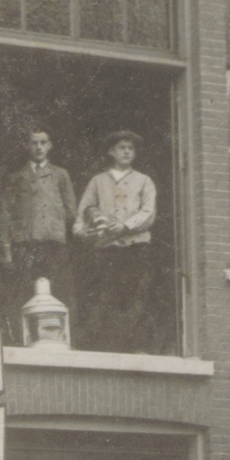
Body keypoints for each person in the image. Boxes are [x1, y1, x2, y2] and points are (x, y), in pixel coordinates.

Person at [73, 129, 157, 353]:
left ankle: (138, 348)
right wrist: (84, 232)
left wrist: (126, 226)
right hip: (107, 249)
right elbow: (83, 212)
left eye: (131, 148)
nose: (127, 152)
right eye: (122, 148)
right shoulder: (98, 181)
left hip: (136, 247)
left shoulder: (144, 181)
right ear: (111, 151)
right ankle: (107, 348)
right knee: (105, 296)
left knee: (137, 296)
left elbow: (148, 212)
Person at [0, 125, 78, 343]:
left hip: (53, 243)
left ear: (50, 146)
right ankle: (23, 341)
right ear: (27, 146)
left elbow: (71, 210)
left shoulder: (60, 175)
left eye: (43, 142)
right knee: (24, 293)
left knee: (59, 291)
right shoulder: (16, 178)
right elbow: (5, 215)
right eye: (34, 142)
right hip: (25, 243)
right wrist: (7, 249)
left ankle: (62, 340)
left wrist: (55, 223)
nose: (39, 147)